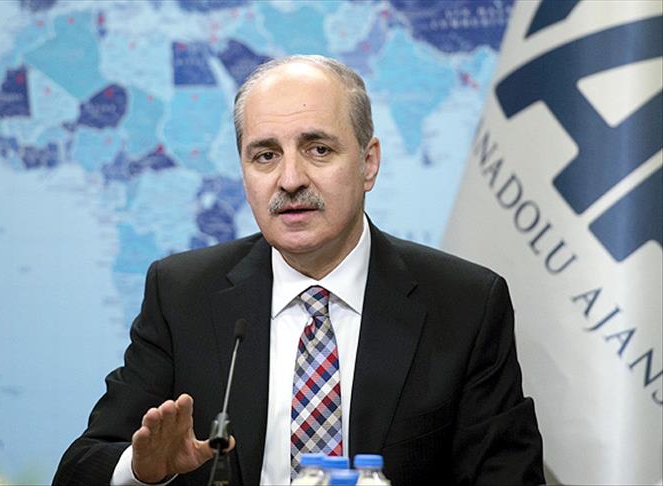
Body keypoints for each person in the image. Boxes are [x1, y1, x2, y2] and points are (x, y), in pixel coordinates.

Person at [54, 55, 544, 485]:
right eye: (266, 156)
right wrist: (142, 470)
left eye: (318, 149)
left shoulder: (464, 304)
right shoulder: (183, 295)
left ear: (368, 163)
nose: (290, 180)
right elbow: (82, 466)